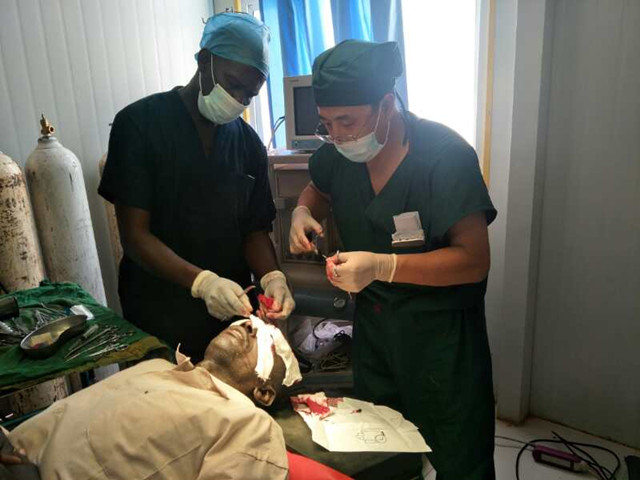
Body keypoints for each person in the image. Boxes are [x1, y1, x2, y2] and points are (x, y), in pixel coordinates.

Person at [289, 40, 497, 479]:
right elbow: (318, 188)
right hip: (376, 335)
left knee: (460, 459)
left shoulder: (444, 156)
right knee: (381, 452)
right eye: (327, 123)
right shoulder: (338, 156)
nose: (338, 135)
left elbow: (473, 260)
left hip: (441, 340)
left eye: (348, 121)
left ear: (386, 105)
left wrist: (385, 266)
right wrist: (303, 212)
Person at [99, 12, 294, 362]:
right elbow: (135, 236)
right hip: (159, 310)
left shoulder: (248, 144)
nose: (239, 100)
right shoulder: (139, 125)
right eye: (233, 85)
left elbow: (254, 230)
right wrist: (203, 283)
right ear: (204, 61)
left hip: (231, 313)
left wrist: (272, 278)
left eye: (249, 95)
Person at [7, 317, 301, 480]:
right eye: (251, 321)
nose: (250, 325)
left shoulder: (251, 426)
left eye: (268, 339)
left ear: (263, 392)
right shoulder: (157, 367)